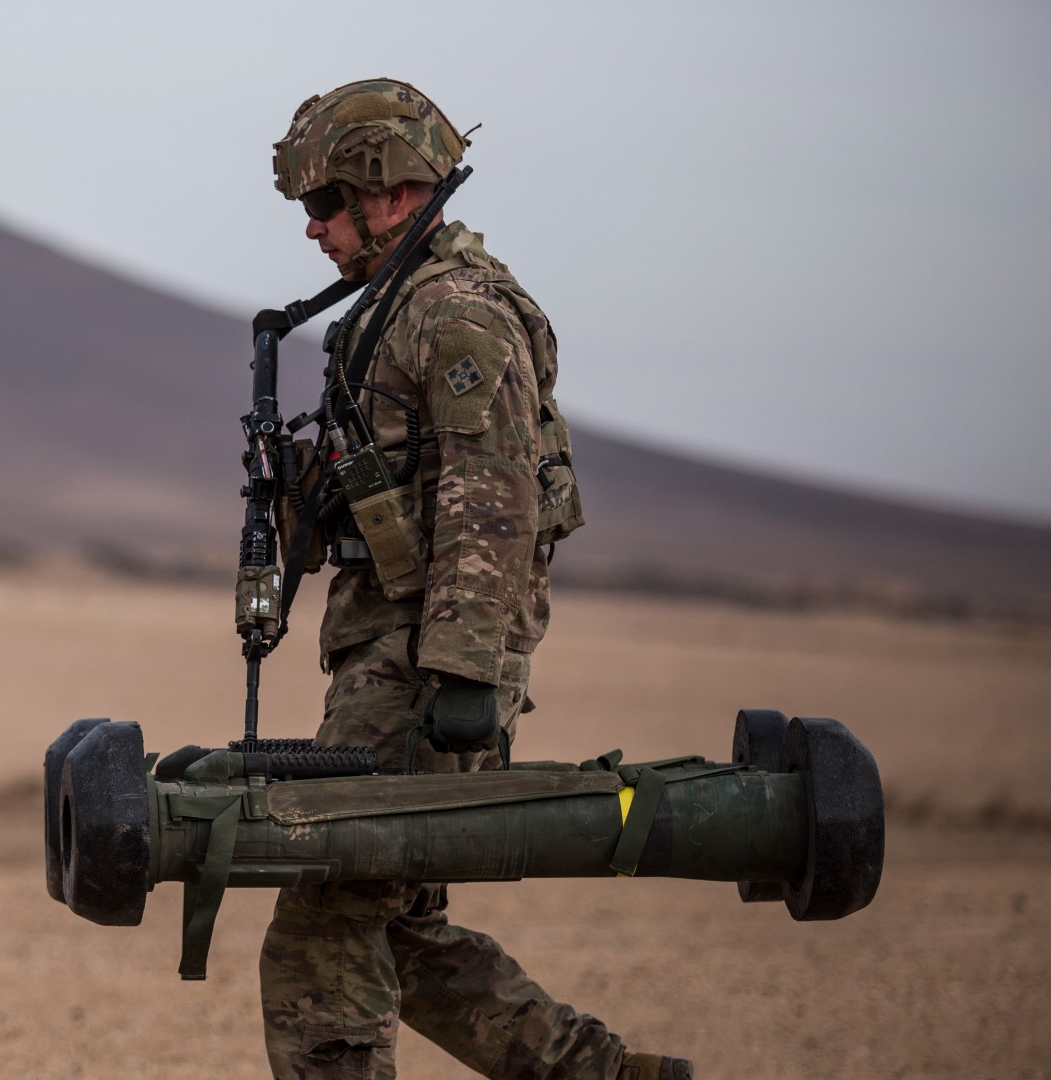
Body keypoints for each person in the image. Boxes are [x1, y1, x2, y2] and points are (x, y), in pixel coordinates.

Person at [255, 79, 689, 1080]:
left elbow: (492, 503)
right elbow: (412, 486)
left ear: (392, 191)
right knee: (393, 930)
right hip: (396, 653)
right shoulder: (398, 309)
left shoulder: (455, 315)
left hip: (422, 669)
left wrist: (461, 675)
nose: (313, 229)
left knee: (323, 928)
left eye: (325, 204)